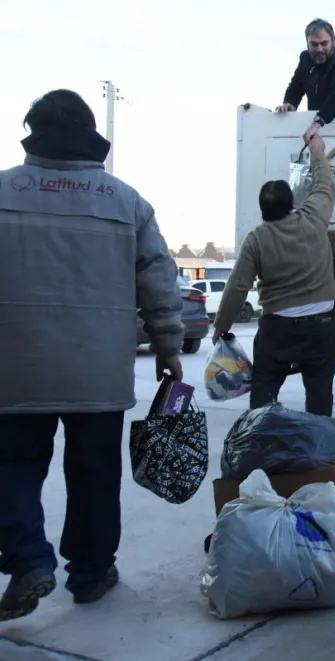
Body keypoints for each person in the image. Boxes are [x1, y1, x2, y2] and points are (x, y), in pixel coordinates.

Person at [0, 90, 184, 620]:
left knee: (11, 465)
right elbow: (159, 280)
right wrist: (168, 347)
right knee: (95, 473)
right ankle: (90, 572)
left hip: (16, 366)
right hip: (98, 371)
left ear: (32, 130)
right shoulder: (125, 200)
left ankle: (28, 559)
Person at [213, 131, 335, 416]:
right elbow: (324, 186)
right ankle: (318, 453)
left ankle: (262, 445)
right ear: (291, 203)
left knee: (264, 391)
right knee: (319, 393)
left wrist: (222, 324)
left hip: (278, 328)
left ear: (262, 210)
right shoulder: (314, 218)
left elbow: (237, 287)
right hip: (321, 324)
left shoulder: (257, 238)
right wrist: (317, 150)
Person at [275, 18, 335, 142]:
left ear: (333, 42)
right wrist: (289, 103)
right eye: (314, 44)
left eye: (324, 43)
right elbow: (296, 86)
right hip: (322, 131)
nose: (319, 49)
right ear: (307, 44)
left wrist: (317, 122)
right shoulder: (305, 60)